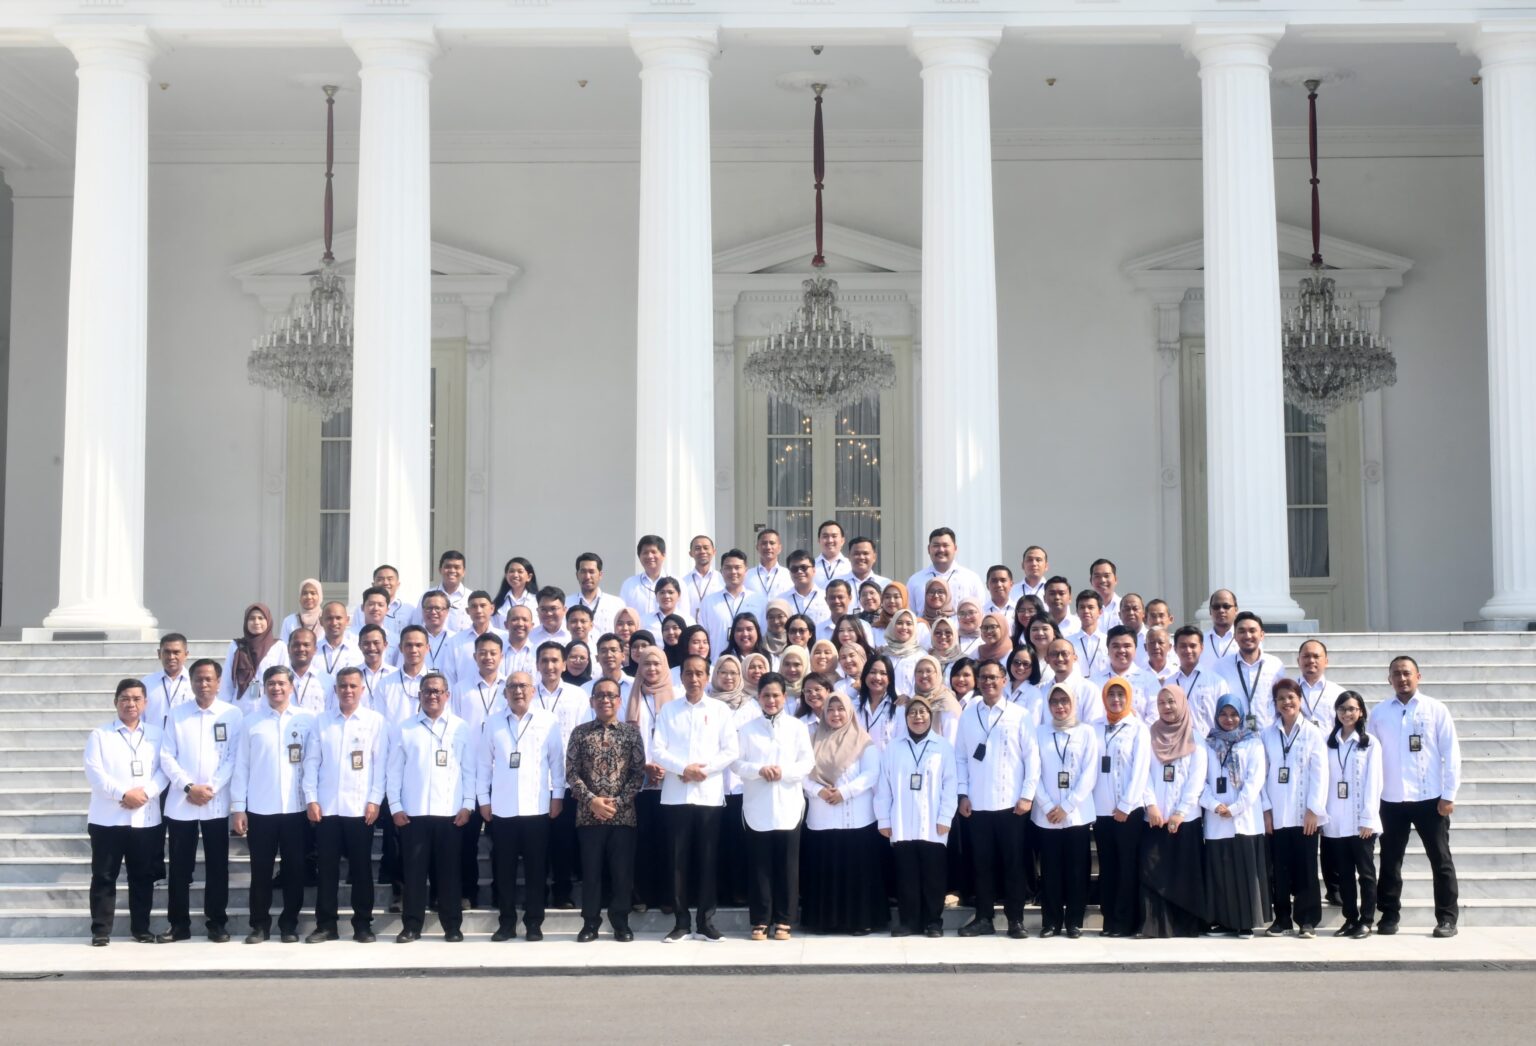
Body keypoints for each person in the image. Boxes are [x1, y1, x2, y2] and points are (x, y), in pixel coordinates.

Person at [1371, 654, 1461, 938]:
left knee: (1441, 860)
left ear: (1418, 676)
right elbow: (1371, 756)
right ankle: (1388, 914)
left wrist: (1448, 795)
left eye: (1407, 673)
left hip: (1430, 799)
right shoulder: (1380, 712)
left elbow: (1451, 753)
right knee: (1389, 860)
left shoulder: (1435, 709)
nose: (1402, 678)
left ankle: (1446, 918)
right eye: (1396, 674)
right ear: (1389, 679)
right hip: (1391, 799)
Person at [653, 654, 739, 942]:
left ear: (706, 676)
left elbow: (730, 750)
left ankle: (705, 922)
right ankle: (680, 923)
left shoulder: (719, 710)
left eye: (699, 673)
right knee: (677, 861)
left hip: (709, 797)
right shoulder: (668, 710)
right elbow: (658, 750)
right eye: (688, 673)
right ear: (682, 677)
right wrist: (683, 769)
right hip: (676, 796)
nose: (693, 678)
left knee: (707, 860)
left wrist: (704, 771)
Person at [477, 671, 566, 942]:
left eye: (523, 686)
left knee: (536, 870)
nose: (518, 691)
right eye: (513, 686)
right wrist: (484, 799)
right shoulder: (492, 723)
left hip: (536, 807)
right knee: (503, 870)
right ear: (505, 692)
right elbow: (483, 764)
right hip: (502, 809)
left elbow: (556, 763)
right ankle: (506, 923)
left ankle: (534, 923)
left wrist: (558, 796)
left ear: (533, 690)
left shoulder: (548, 721)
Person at [386, 672, 475, 943]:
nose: (432, 695)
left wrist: (468, 805)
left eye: (438, 691)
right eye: (427, 691)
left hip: (450, 813)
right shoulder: (404, 728)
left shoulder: (461, 728)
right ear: (420, 695)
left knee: (449, 873)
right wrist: (396, 806)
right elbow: (393, 772)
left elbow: (470, 770)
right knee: (413, 874)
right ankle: (412, 925)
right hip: (413, 814)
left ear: (447, 695)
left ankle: (452, 926)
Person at [302, 666, 386, 943]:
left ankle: (363, 924)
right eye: (343, 686)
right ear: (335, 689)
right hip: (327, 808)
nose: (348, 691)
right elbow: (311, 762)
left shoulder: (375, 721)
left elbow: (380, 765)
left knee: (361, 870)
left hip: (360, 808)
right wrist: (311, 798)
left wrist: (375, 800)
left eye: (353, 686)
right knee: (326, 870)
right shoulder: (321, 721)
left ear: (362, 690)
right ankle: (326, 924)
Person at [159, 658, 241, 943]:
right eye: (198, 679)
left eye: (209, 679)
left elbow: (233, 756)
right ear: (190, 681)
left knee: (218, 866)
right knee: (180, 867)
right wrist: (188, 787)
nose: (203, 684)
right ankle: (178, 924)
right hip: (183, 804)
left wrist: (212, 788)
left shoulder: (232, 714)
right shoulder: (177, 714)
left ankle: (216, 922)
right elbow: (167, 755)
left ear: (219, 683)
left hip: (215, 803)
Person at [231, 666, 314, 943]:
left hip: (296, 809)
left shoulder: (307, 720)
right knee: (261, 870)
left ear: (292, 687)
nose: (276, 688)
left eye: (281, 683)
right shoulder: (250, 722)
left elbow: (314, 764)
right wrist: (238, 807)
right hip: (260, 808)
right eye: (271, 684)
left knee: (294, 870)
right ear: (264, 687)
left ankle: (289, 925)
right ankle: (259, 925)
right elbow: (241, 766)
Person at [955, 660, 1038, 939]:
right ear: (978, 681)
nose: (988, 682)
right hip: (977, 804)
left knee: (1013, 864)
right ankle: (984, 918)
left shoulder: (1020, 714)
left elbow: (1032, 758)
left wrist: (1027, 795)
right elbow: (961, 757)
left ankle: (1015, 919)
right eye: (984, 677)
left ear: (1004, 680)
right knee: (982, 864)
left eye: (994, 677)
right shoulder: (968, 715)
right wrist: (962, 793)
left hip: (1011, 804)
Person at [84, 680, 168, 946]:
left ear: (145, 703)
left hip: (146, 818)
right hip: (108, 818)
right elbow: (95, 773)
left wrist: (146, 793)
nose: (130, 704)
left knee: (142, 877)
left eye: (136, 699)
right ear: (115, 702)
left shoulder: (157, 734)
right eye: (124, 699)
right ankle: (100, 930)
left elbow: (165, 769)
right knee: (104, 876)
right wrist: (124, 794)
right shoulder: (100, 735)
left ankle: (141, 929)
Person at [734, 672, 814, 940]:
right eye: (766, 695)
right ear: (758, 698)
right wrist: (759, 770)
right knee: (759, 865)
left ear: (785, 696)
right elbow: (737, 763)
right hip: (757, 805)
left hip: (789, 804)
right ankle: (759, 920)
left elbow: (807, 763)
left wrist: (784, 772)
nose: (771, 700)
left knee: (787, 866)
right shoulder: (747, 729)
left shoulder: (797, 727)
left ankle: (784, 920)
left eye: (775, 695)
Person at [801, 684, 886, 935]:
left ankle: (859, 921)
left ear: (849, 712)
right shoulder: (813, 740)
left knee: (856, 873)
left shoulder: (863, 741)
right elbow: (803, 773)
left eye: (841, 709)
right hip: (822, 817)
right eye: (831, 709)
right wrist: (819, 791)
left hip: (856, 819)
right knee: (825, 872)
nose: (836, 714)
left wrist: (844, 792)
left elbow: (872, 774)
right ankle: (823, 921)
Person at [567, 678, 647, 942]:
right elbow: (571, 773)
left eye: (611, 695)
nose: (605, 700)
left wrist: (617, 803)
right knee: (591, 873)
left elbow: (637, 775)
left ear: (619, 700)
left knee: (622, 873)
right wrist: (592, 801)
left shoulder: (631, 733)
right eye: (600, 695)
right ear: (592, 701)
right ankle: (590, 923)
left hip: (622, 817)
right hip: (588, 816)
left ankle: (620, 923)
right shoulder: (579, 733)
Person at [875, 694, 958, 938]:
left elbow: (950, 785)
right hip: (901, 821)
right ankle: (909, 921)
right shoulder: (894, 747)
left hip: (933, 822)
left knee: (933, 875)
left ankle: (933, 921)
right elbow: (884, 786)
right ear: (906, 717)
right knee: (906, 875)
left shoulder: (942, 746)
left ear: (930, 716)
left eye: (922, 713)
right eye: (913, 713)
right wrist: (884, 820)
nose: (918, 717)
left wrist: (945, 817)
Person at [1260, 677, 1329, 939]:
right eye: (1281, 698)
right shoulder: (1267, 734)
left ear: (1300, 700)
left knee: (1306, 868)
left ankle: (1308, 920)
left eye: (1291, 697)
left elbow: (1320, 774)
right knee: (1279, 869)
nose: (1286, 702)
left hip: (1304, 815)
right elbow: (1261, 776)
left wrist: (1314, 809)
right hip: (1277, 814)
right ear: (1275, 704)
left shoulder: (1313, 733)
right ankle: (1282, 920)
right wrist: (1266, 811)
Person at [1140, 685, 1210, 938]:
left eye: (1171, 701)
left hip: (1186, 819)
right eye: (1161, 703)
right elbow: (1143, 774)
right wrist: (1151, 805)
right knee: (1153, 870)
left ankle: (1185, 925)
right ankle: (1157, 926)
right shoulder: (1149, 735)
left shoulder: (1195, 737)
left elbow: (1197, 778)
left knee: (1184, 872)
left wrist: (1181, 812)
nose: (1167, 707)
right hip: (1155, 818)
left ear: (1181, 703)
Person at [1200, 693, 1271, 938]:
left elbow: (1255, 779)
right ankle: (1223, 920)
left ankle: (1245, 922)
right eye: (1223, 714)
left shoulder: (1253, 741)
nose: (1228, 719)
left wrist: (1236, 807)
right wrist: (1214, 805)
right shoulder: (1207, 743)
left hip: (1245, 818)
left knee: (1244, 872)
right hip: (1217, 818)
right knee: (1221, 873)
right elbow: (1200, 780)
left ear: (1242, 716)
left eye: (1234, 714)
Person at [1033, 685, 1100, 939]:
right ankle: (1050, 921)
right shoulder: (1039, 733)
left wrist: (1068, 805)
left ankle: (1074, 921)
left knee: (1076, 870)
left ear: (1074, 703)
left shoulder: (1086, 733)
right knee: (1050, 871)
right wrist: (1049, 806)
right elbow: (1033, 771)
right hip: (1046, 815)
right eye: (1055, 701)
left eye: (1065, 701)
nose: (1060, 706)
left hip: (1077, 815)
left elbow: (1089, 773)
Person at [1094, 677, 1151, 938]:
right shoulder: (1095, 727)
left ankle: (1124, 921)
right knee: (1108, 867)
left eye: (1121, 695)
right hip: (1102, 810)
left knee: (1127, 867)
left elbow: (1140, 769)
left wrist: (1126, 805)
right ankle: (1109, 920)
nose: (1116, 700)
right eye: (1111, 695)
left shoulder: (1138, 728)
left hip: (1128, 811)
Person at [1324, 690, 1384, 939]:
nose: (1347, 713)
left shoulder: (1369, 742)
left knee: (1366, 873)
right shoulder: (1329, 742)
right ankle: (1350, 918)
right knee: (1344, 873)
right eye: (1342, 709)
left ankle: (1367, 920)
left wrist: (1368, 817)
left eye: (1352, 708)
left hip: (1361, 821)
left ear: (1360, 712)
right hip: (1336, 819)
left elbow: (1374, 781)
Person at [1216, 612, 1285, 734]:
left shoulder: (1275, 665)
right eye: (1241, 631)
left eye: (1252, 631)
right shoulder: (1221, 667)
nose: (1247, 636)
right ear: (1235, 636)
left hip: (1269, 734)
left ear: (1262, 635)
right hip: (1235, 736)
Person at [220, 603, 288, 711]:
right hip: (241, 707)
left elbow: (285, 679)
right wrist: (223, 710)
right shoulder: (236, 646)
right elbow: (227, 682)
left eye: (261, 618)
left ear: (268, 621)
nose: (256, 622)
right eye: (252, 618)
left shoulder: (279, 646)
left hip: (268, 708)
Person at [1171, 625, 1231, 737]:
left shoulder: (1217, 682)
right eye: (1183, 646)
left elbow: (1226, 715)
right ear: (1175, 649)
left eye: (1193, 646)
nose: (1188, 650)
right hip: (1176, 746)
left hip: (1209, 745)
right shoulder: (1169, 683)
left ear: (1202, 648)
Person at [906, 527, 985, 607]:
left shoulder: (971, 579)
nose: (941, 550)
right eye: (936, 545)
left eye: (945, 545)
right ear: (928, 549)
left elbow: (981, 612)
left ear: (955, 548)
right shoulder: (915, 581)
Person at [568, 552, 626, 637]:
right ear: (577, 575)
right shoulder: (567, 603)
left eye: (591, 572)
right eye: (583, 572)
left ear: (600, 575)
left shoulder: (616, 604)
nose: (587, 576)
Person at [143, 633, 192, 730]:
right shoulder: (147, 683)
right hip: (154, 741)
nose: (171, 657)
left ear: (186, 655)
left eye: (176, 652)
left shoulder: (194, 682)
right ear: (159, 654)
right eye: (167, 652)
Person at [857, 655, 902, 751]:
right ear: (865, 675)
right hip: (859, 763)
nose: (877, 677)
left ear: (890, 679)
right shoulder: (853, 705)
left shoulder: (899, 708)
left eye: (883, 673)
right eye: (872, 672)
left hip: (888, 764)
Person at [621, 534, 669, 616]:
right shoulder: (629, 584)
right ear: (639, 556)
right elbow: (623, 614)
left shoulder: (676, 583)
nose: (650, 556)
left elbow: (683, 615)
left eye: (654, 552)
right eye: (645, 553)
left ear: (663, 555)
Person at [285, 627, 330, 714]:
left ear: (315, 650)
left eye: (306, 645)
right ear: (288, 648)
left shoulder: (327, 680)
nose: (301, 649)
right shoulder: (278, 679)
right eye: (296, 645)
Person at [681, 535, 725, 619]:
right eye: (697, 548)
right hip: (691, 629)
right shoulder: (683, 582)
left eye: (706, 548)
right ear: (690, 553)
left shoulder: (722, 580)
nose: (702, 551)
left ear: (714, 551)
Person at [316, 601, 363, 678]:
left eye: (338, 618)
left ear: (347, 620)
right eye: (329, 618)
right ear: (321, 621)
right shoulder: (313, 650)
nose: (334, 623)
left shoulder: (357, 651)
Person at [746, 528, 795, 601]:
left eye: (772, 543)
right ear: (757, 547)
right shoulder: (747, 576)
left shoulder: (788, 575)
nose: (768, 547)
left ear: (779, 548)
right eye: (764, 543)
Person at [786, 550, 832, 629]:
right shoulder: (782, 600)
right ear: (790, 573)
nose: (799, 571)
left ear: (814, 570)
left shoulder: (827, 597)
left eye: (804, 568)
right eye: (794, 569)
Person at [1071, 591, 1111, 679]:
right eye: (1082, 607)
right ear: (1077, 611)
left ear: (1100, 611)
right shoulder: (1069, 642)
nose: (1086, 611)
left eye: (1090, 607)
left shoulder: (1108, 641)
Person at [1198, 589, 1240, 672]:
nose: (1221, 610)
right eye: (1216, 607)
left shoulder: (1245, 640)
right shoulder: (1201, 640)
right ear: (1210, 610)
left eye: (1226, 606)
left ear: (1236, 610)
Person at [492, 556, 540, 626]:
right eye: (511, 571)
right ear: (506, 575)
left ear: (529, 577)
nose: (515, 575)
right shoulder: (498, 603)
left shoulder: (537, 601)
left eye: (520, 571)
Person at [813, 519, 853, 588]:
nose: (830, 540)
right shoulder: (811, 566)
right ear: (819, 540)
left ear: (842, 540)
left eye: (834, 536)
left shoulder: (850, 566)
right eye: (825, 536)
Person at [1088, 558, 1122, 624]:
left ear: (1115, 579)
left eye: (1107, 576)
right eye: (1097, 576)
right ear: (1091, 580)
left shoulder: (1124, 607)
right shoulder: (1084, 611)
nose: (1102, 580)